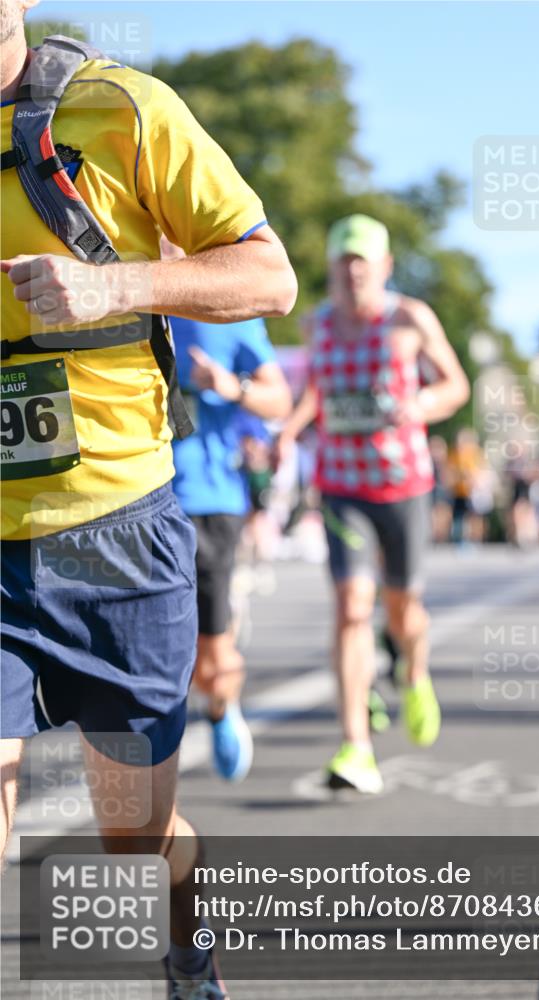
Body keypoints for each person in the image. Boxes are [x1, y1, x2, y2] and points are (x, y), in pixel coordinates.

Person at [0, 5, 297, 999]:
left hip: (117, 535)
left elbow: (268, 275)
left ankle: (189, 951)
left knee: (133, 835)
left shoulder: (122, 108)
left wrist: (111, 286)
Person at [276, 214, 470, 793]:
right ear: (333, 267)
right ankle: (355, 747)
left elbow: (456, 385)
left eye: (364, 259)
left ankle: (413, 671)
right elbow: (317, 388)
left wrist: (422, 404)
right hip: (342, 486)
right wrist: (291, 428)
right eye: (344, 259)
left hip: (403, 486)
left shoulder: (410, 318)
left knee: (402, 611)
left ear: (385, 267)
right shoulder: (316, 324)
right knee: (350, 605)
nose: (353, 269)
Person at [170, 313, 291, 783]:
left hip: (207, 501)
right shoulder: (108, 289)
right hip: (128, 501)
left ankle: (220, 706)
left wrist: (230, 384)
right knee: (150, 653)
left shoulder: (222, 307)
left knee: (212, 655)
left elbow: (279, 397)